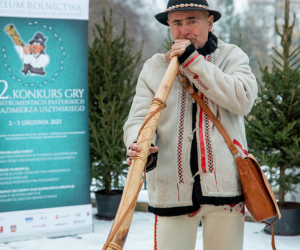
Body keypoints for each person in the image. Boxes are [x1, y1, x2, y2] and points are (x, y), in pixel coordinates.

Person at [124, 0, 257, 249]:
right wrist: (139, 143)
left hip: (226, 192)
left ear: (210, 22)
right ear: (169, 27)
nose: (184, 29)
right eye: (176, 22)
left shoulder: (232, 57)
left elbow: (243, 100)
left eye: (192, 21)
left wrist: (192, 62)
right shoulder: (155, 67)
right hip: (170, 192)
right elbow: (138, 120)